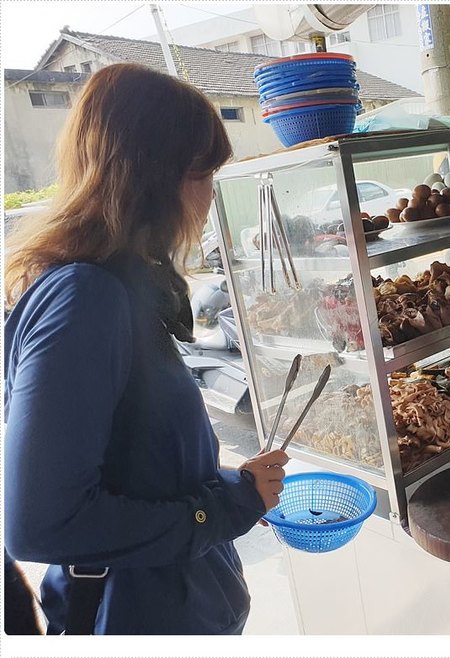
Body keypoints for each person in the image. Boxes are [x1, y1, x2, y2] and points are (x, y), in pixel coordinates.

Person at [4, 63, 288, 635]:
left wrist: (230, 485)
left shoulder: (122, 283)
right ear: (155, 179)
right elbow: (41, 524)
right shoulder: (86, 298)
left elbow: (134, 461)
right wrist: (224, 508)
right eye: (204, 174)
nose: (210, 195)